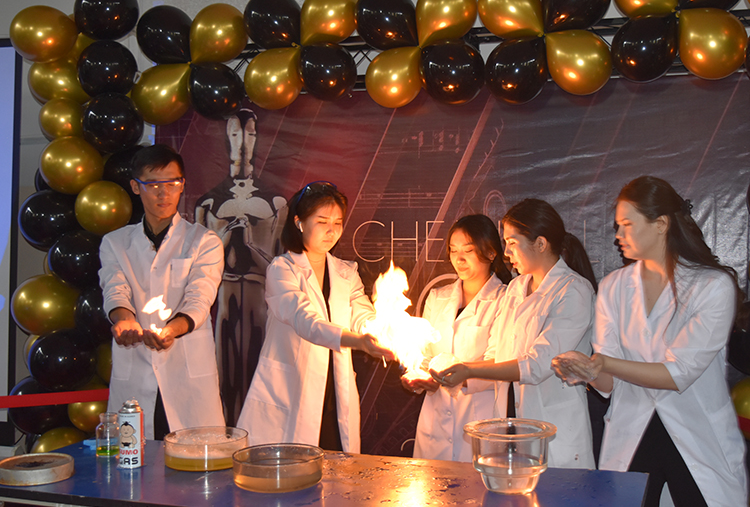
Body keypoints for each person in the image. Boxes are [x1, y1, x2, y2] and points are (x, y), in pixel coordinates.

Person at [551, 176, 748, 507]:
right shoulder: (613, 287)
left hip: (696, 433)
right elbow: (608, 383)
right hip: (632, 432)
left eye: (627, 225)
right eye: (617, 226)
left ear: (660, 224)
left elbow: (677, 373)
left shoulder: (711, 286)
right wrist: (585, 370)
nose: (618, 235)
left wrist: (604, 363)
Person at [432, 199, 596, 469]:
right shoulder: (516, 288)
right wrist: (457, 370)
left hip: (555, 432)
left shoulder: (573, 290)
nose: (506, 252)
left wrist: (469, 370)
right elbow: (500, 354)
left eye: (512, 242)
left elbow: (537, 364)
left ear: (540, 244)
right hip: (509, 428)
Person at [237, 181, 395, 450]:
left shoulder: (346, 271)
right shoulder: (282, 269)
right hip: (291, 390)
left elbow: (362, 313)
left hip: (334, 391)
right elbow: (306, 321)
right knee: (292, 466)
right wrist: (358, 342)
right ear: (299, 223)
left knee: (337, 464)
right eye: (322, 222)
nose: (332, 231)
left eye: (338, 222)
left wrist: (378, 329)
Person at [99, 144, 224, 441]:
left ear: (182, 185)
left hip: (186, 369)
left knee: (195, 457)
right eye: (153, 184)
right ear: (135, 187)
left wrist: (171, 330)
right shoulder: (115, 243)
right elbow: (115, 289)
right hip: (136, 369)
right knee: (133, 454)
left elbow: (200, 298)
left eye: (172, 183)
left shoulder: (204, 241)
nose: (163, 193)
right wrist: (125, 320)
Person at [195, 109, 288, 426]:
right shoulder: (208, 203)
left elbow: (281, 267)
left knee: (260, 371)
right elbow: (198, 267)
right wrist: (224, 240)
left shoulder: (276, 203)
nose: (243, 143)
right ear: (226, 138)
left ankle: (260, 435)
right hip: (223, 296)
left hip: (261, 298)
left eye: (249, 134)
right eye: (235, 134)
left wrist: (249, 244)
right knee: (224, 373)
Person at [402, 214, 512, 462]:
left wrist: (458, 376)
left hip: (479, 419)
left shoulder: (505, 299)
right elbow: (424, 354)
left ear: (491, 253)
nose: (459, 259)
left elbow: (500, 364)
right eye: (453, 250)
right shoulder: (437, 297)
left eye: (468, 251)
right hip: (435, 422)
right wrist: (420, 378)